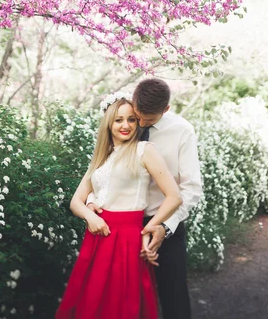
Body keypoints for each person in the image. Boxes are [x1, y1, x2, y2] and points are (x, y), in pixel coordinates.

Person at [55, 93, 182, 319]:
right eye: (119, 120)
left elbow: (174, 196)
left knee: (122, 306)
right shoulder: (102, 157)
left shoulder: (145, 150)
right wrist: (90, 216)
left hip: (127, 240)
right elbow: (76, 201)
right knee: (91, 302)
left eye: (131, 119)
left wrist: (148, 229)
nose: (126, 125)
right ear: (109, 123)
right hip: (97, 237)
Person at [90, 78, 203, 319]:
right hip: (124, 229)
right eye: (137, 116)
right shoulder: (126, 121)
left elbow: (191, 189)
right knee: (125, 301)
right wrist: (92, 200)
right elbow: (106, 170)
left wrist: (164, 226)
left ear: (166, 110)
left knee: (173, 298)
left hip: (165, 224)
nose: (138, 124)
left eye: (146, 121)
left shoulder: (183, 131)